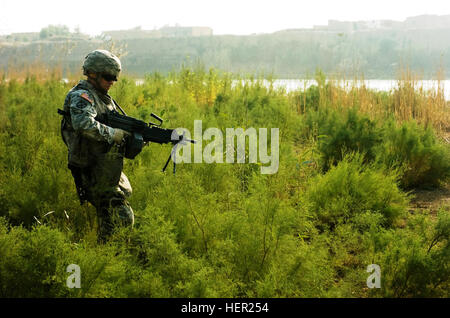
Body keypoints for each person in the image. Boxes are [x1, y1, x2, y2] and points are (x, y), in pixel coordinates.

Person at [60, 49, 134, 243]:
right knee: (120, 215)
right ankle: (108, 258)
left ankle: (107, 258)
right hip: (89, 165)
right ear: (93, 74)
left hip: (103, 164)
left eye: (115, 78)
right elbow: (83, 124)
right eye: (109, 77)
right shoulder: (83, 95)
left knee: (114, 210)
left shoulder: (103, 97)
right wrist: (114, 134)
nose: (112, 82)